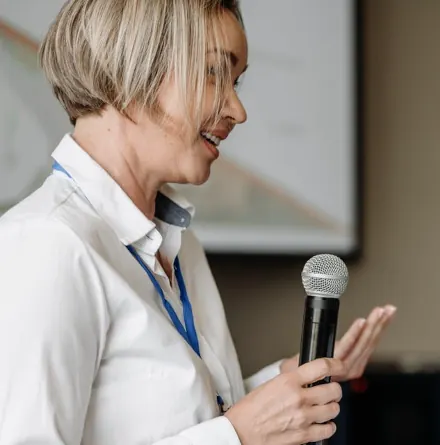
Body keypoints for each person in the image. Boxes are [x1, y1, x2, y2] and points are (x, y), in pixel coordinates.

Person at [0, 1, 396, 444]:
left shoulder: (181, 245)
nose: (237, 110)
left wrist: (286, 383)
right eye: (214, 73)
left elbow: (181, 420)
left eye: (236, 81)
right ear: (136, 63)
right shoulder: (47, 245)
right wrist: (238, 438)